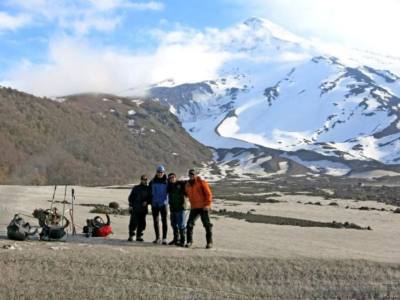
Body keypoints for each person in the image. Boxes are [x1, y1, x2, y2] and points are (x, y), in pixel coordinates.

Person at [185, 169, 213, 249]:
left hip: (204, 207)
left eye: (193, 174)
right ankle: (189, 241)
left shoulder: (201, 182)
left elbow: (208, 194)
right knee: (189, 224)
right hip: (194, 207)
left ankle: (209, 242)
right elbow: (187, 194)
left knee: (207, 225)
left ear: (195, 175)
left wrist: (208, 205)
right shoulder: (187, 185)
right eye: (190, 174)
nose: (191, 176)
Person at [128, 175, 151, 242]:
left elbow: (150, 198)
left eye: (146, 179)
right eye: (143, 179)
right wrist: (130, 205)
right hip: (135, 208)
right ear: (141, 180)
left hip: (143, 209)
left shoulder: (148, 189)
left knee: (142, 223)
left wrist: (147, 202)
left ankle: (139, 236)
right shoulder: (136, 188)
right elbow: (131, 198)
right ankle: (131, 235)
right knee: (133, 223)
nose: (144, 180)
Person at [149, 165, 169, 244]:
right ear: (156, 172)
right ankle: (157, 238)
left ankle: (164, 239)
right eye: (158, 172)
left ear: (164, 173)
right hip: (154, 204)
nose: (160, 173)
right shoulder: (152, 182)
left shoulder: (167, 182)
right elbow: (149, 192)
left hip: (163, 204)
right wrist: (150, 201)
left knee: (164, 221)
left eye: (161, 172)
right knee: (156, 221)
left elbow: (172, 191)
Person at [167, 173, 187, 246]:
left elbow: (187, 189)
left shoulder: (181, 184)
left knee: (181, 225)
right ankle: (176, 239)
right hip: (172, 208)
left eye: (173, 177)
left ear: (175, 177)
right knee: (173, 224)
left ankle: (182, 240)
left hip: (180, 208)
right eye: (170, 178)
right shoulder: (169, 186)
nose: (171, 179)